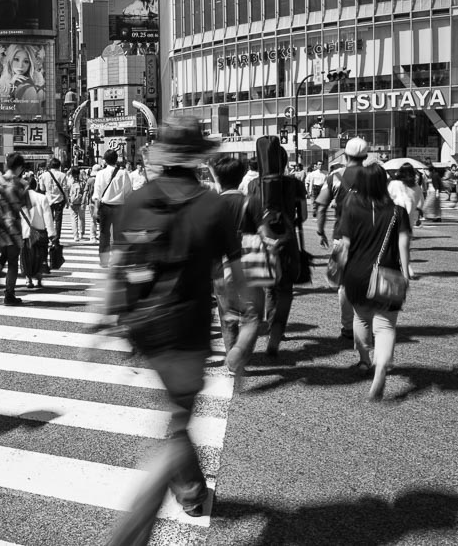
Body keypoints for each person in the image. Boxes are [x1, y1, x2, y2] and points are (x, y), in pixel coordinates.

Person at [99, 117, 248, 542]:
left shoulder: (137, 198)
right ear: (200, 158)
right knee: (179, 422)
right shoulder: (214, 206)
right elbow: (230, 278)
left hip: (144, 326)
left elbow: (117, 265)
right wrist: (243, 320)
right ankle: (132, 531)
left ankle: (192, 489)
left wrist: (105, 321)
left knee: (178, 416)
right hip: (187, 328)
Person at [336, 163, 412, 401]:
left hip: (356, 274)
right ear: (384, 184)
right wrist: (406, 274)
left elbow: (345, 246)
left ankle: (364, 360)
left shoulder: (351, 210)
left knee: (360, 318)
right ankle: (381, 366)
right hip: (387, 275)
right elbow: (403, 246)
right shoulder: (398, 212)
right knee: (385, 325)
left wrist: (337, 271)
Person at [244, 144, 308, 357]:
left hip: (264, 241)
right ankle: (277, 333)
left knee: (270, 289)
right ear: (284, 162)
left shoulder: (254, 184)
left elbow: (250, 214)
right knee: (286, 290)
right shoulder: (295, 184)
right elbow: (305, 215)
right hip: (287, 241)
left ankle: (270, 325)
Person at [209, 156, 260, 373]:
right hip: (250, 262)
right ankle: (241, 354)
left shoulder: (212, 204)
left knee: (227, 314)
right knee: (252, 315)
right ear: (241, 177)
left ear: (218, 178)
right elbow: (264, 233)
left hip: (221, 265)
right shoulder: (252, 201)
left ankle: (233, 360)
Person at [317, 138, 370, 340]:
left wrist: (320, 231)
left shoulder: (334, 177)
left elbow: (321, 206)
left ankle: (348, 327)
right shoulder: (374, 176)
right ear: (365, 156)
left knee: (344, 284)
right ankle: (366, 324)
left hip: (342, 236)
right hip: (369, 237)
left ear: (345, 155)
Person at [0, 153, 30, 305]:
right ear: (20, 167)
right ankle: (9, 294)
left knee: (4, 254)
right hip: (13, 227)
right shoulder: (22, 183)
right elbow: (26, 205)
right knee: (13, 261)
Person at [92, 149, 132, 268]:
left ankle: (104, 261)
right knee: (119, 234)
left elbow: (97, 194)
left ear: (105, 160)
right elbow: (128, 192)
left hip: (105, 207)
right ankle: (118, 260)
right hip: (120, 206)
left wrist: (95, 210)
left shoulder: (100, 174)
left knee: (104, 234)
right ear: (116, 159)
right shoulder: (123, 173)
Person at [21, 187, 55, 289]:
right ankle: (39, 278)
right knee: (40, 255)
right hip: (40, 231)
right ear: (36, 186)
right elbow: (48, 216)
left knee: (26, 256)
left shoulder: (20, 198)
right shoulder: (42, 197)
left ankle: (28, 279)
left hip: (26, 232)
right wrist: (51, 233)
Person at [388, 163, 425, 236]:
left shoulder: (394, 184)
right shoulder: (416, 187)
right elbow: (420, 202)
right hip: (409, 216)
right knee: (405, 236)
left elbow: (388, 198)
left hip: (395, 214)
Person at [37, 158, 68, 242]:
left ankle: (49, 237)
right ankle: (56, 238)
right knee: (58, 220)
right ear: (59, 165)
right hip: (59, 199)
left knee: (48, 219)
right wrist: (67, 200)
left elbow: (42, 188)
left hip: (48, 200)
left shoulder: (44, 175)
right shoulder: (63, 175)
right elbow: (65, 189)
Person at [67, 168, 86, 242]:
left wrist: (68, 201)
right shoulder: (82, 182)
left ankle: (75, 236)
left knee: (74, 219)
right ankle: (81, 233)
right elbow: (85, 192)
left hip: (72, 202)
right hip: (81, 202)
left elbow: (67, 191)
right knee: (82, 218)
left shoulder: (69, 182)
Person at [84, 164, 99, 242]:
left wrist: (83, 202)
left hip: (91, 201)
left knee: (93, 220)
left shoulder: (89, 180)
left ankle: (92, 236)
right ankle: (100, 235)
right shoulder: (101, 179)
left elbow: (85, 191)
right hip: (100, 202)